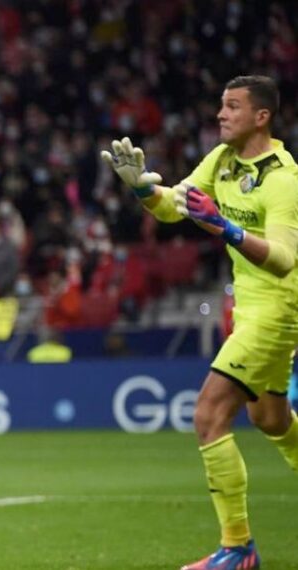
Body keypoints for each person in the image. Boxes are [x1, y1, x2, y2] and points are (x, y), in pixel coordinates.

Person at [102, 75, 298, 570]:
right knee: (270, 419)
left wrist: (224, 227)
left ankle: (238, 548)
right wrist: (142, 188)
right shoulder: (223, 160)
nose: (220, 114)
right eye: (221, 105)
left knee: (209, 414)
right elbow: (175, 207)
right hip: (250, 310)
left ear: (262, 117)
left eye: (232, 106)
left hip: (278, 309)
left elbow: (283, 259)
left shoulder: (283, 180)